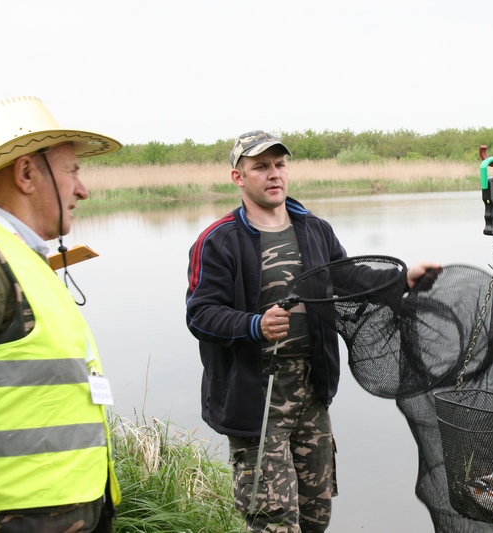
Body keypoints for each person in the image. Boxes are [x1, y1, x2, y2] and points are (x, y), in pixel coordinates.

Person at [186, 130, 439, 532]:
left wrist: (401, 280)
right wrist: (255, 325)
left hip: (312, 394)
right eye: (260, 167)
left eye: (279, 164)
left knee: (315, 517)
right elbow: (200, 315)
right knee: (273, 522)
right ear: (238, 177)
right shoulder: (219, 240)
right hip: (257, 401)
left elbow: (349, 278)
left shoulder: (314, 229)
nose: (274, 174)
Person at [0, 96, 122, 532]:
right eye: (72, 171)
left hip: (64, 508)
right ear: (27, 174)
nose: (82, 190)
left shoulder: (24, 257)